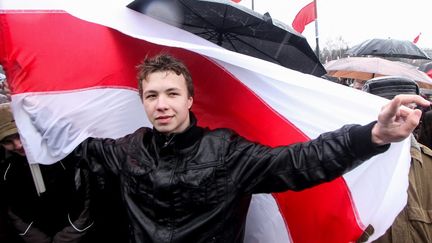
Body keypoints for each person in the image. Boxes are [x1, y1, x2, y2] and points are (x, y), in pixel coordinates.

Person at [32, 54, 429, 243]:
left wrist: (373, 136)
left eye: (172, 93)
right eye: (152, 95)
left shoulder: (225, 152)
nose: (162, 104)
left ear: (190, 100)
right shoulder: (126, 150)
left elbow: (300, 162)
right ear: (143, 101)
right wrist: (24, 115)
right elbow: (71, 146)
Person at [0, 103, 95, 243]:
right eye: (8, 141)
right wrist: (36, 237)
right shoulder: (6, 170)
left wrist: (68, 236)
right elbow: (13, 210)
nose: (18, 145)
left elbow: (88, 199)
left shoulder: (67, 154)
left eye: (20, 135)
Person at [358, 76, 432, 242]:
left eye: (409, 109)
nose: (400, 117)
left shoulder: (428, 165)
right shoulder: (351, 164)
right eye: (391, 109)